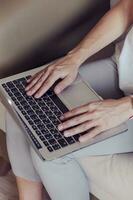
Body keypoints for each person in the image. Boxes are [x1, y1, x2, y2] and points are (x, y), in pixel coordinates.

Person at [6, 0, 133, 199]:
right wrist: (74, 57)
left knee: (54, 151)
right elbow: (127, 8)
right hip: (125, 68)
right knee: (26, 96)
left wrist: (129, 106)